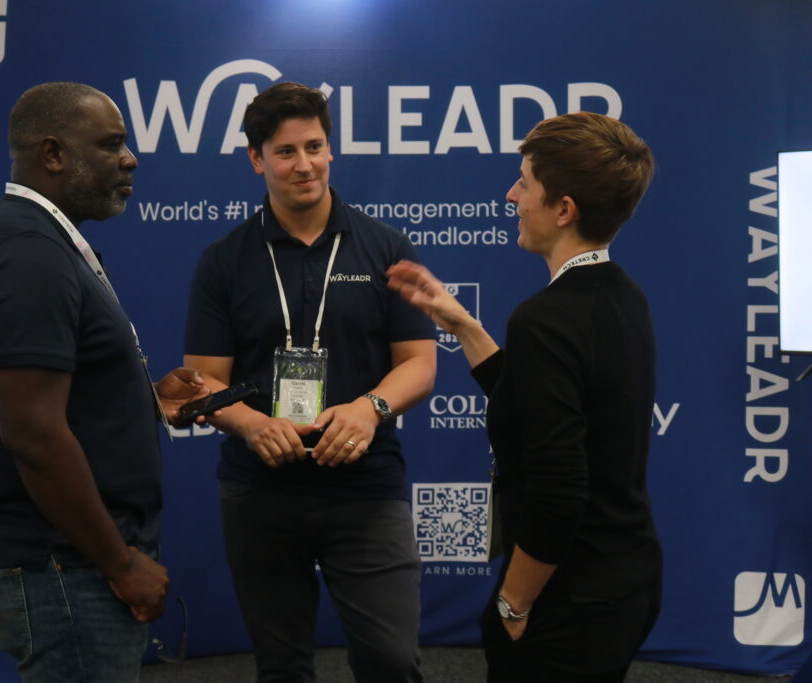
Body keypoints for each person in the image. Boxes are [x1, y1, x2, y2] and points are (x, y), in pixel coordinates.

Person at [0, 82, 212, 683]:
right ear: (53, 154)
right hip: (65, 570)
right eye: (111, 144)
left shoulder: (43, 241)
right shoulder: (26, 253)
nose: (131, 158)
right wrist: (119, 564)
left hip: (69, 564)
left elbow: (63, 397)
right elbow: (33, 435)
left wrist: (145, 399)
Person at [387, 111, 662, 682]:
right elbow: (532, 404)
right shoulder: (624, 295)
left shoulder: (546, 319)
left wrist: (512, 605)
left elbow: (559, 493)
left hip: (569, 598)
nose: (511, 194)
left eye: (525, 183)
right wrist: (462, 325)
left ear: (564, 210)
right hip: (625, 580)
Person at [182, 82, 437, 682]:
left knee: (392, 661)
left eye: (315, 146)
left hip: (365, 486)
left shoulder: (384, 246)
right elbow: (201, 383)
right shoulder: (224, 260)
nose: (305, 165)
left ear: (331, 148)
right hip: (261, 491)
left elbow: (420, 363)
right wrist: (249, 423)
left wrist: (370, 408)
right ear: (256, 159)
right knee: (282, 667)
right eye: (286, 152)